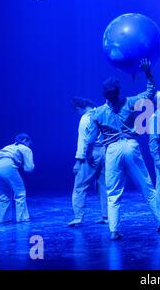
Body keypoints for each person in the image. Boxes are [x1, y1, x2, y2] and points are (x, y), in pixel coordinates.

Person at [83, 59, 160, 240]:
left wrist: (88, 154)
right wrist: (148, 72)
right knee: (146, 186)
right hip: (130, 146)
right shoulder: (129, 103)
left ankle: (114, 230)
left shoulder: (97, 113)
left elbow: (90, 139)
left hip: (112, 150)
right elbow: (151, 92)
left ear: (105, 94)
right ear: (119, 92)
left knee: (113, 192)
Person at [68, 97, 108, 227]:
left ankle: (78, 217)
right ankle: (106, 216)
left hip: (92, 152)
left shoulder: (85, 118)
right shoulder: (102, 112)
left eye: (76, 111)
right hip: (105, 152)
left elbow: (83, 141)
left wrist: (78, 161)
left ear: (79, 108)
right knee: (103, 185)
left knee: (80, 186)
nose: (76, 113)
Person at [0, 133, 34, 223]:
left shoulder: (8, 146)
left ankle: (4, 219)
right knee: (20, 193)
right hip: (7, 164)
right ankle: (22, 218)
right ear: (26, 140)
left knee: (3, 195)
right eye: (29, 142)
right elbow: (29, 168)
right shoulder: (25, 148)